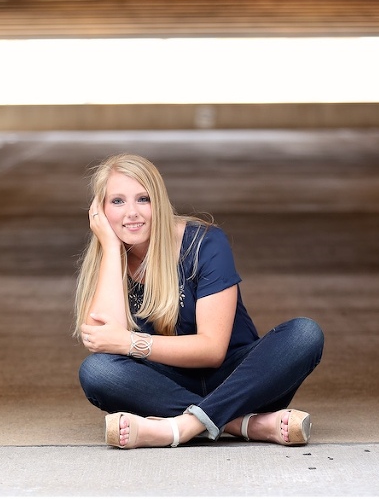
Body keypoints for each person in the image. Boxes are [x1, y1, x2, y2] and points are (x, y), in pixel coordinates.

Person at [74, 153, 324, 449]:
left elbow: (212, 350)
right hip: (164, 385)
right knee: (97, 371)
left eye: (143, 199)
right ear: (99, 211)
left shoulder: (204, 242)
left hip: (240, 381)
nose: (132, 213)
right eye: (117, 201)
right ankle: (243, 424)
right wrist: (111, 246)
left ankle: (180, 427)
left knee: (304, 334)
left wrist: (129, 343)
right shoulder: (109, 257)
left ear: (159, 203)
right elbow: (103, 339)